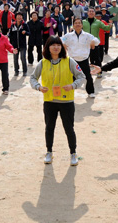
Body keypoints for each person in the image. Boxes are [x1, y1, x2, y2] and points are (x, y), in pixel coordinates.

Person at [30, 36, 86, 166]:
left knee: (69, 128)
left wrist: (73, 85)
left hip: (66, 102)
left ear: (62, 47)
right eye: (53, 45)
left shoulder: (69, 61)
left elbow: (81, 76)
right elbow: (33, 78)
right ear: (48, 48)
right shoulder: (43, 62)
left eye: (58, 45)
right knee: (49, 128)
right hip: (49, 101)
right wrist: (38, 87)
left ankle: (73, 153)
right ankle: (49, 152)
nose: (56, 47)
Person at [61, 18, 100, 98]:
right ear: (73, 25)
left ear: (82, 25)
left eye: (79, 23)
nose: (78, 24)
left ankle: (91, 92)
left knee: (88, 77)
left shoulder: (87, 35)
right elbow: (60, 40)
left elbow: (97, 40)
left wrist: (93, 41)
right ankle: (66, 93)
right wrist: (62, 44)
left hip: (84, 60)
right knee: (69, 78)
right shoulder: (68, 36)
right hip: (72, 60)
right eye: (76, 23)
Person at [9, 12, 30, 76]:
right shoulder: (13, 25)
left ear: (22, 18)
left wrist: (25, 32)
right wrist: (10, 43)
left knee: (23, 58)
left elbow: (29, 33)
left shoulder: (25, 25)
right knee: (15, 59)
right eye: (18, 16)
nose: (19, 17)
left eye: (20, 16)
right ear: (15, 18)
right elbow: (10, 34)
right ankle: (16, 71)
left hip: (22, 45)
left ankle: (24, 71)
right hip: (15, 45)